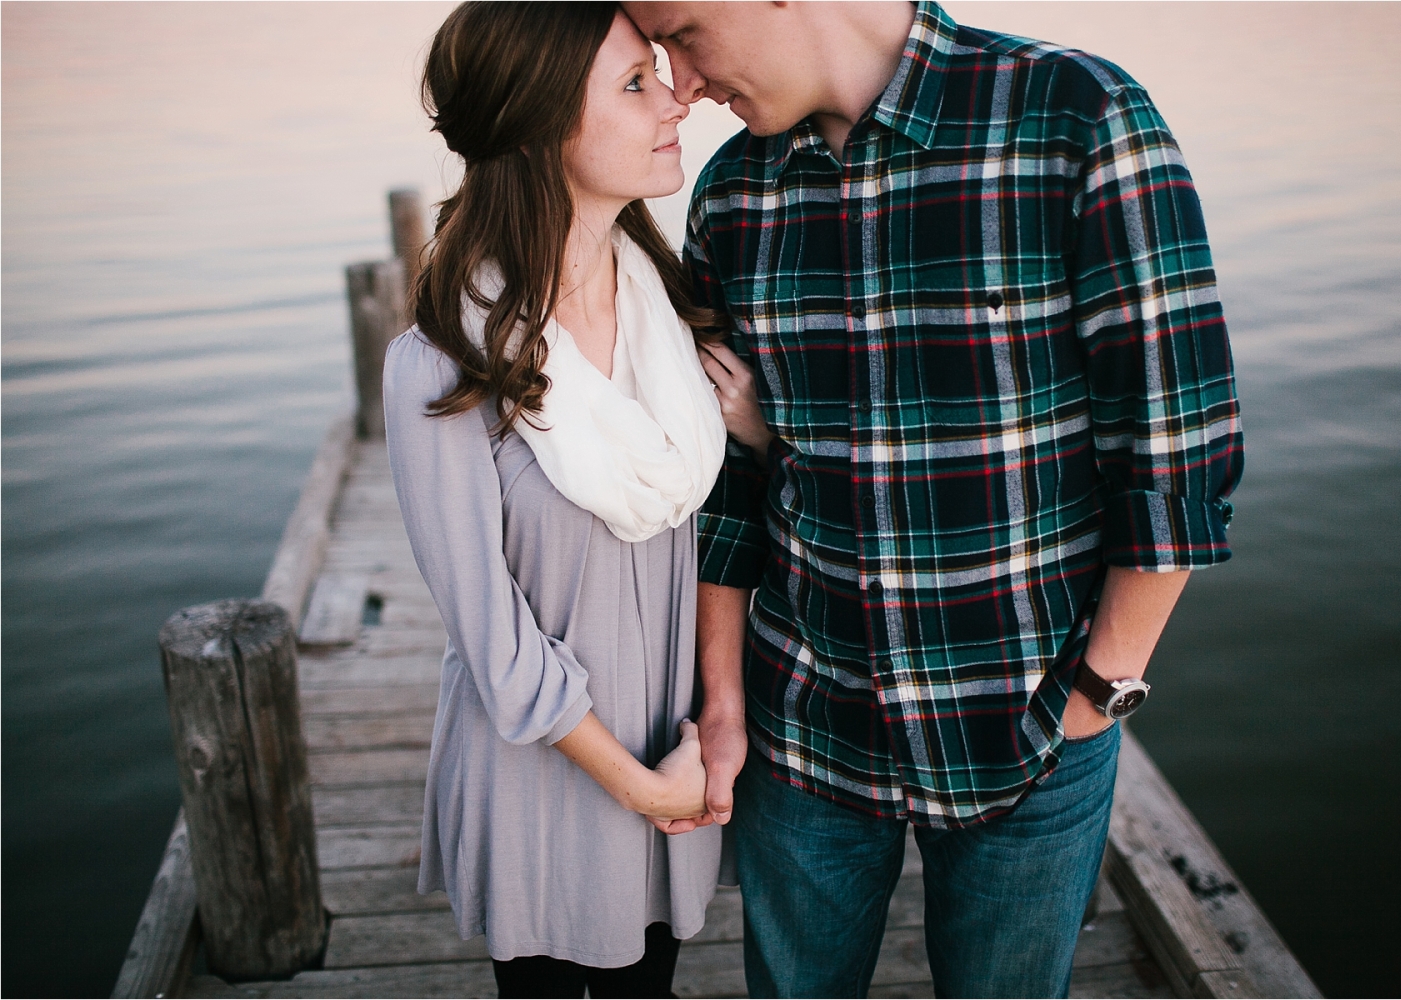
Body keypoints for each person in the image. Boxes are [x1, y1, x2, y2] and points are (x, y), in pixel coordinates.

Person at [622, 2, 1246, 997]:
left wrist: (1100, 691)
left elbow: (1176, 450)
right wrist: (727, 700)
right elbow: (729, 491)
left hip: (1030, 724)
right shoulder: (734, 192)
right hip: (806, 729)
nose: (684, 85)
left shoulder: (1077, 118)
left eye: (686, 35)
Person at [382, 4, 770, 997]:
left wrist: (760, 441)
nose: (676, 95)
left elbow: (725, 525)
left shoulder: (676, 322)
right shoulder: (443, 363)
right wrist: (646, 787)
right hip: (553, 774)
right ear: (545, 121)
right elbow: (494, 641)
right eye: (635, 83)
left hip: (667, 740)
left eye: (660, 72)